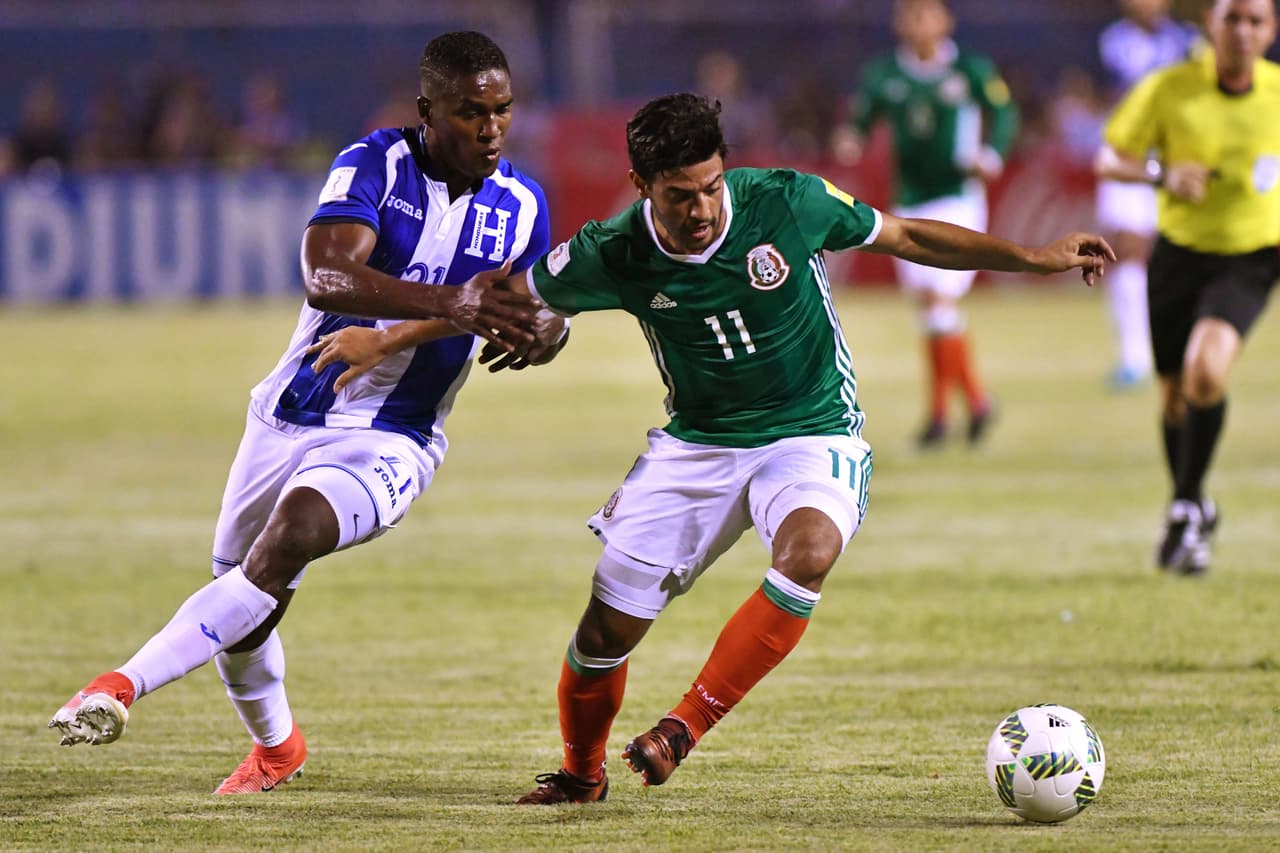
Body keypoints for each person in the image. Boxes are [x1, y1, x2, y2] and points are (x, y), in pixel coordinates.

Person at [313, 93, 1112, 803]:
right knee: (604, 634)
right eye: (679, 195)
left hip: (810, 427)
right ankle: (582, 774)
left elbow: (905, 235)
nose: (700, 209)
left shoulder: (788, 201)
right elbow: (504, 298)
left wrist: (1034, 257)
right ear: (641, 186)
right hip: (697, 444)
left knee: (809, 550)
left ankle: (682, 727)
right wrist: (386, 340)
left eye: (711, 187)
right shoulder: (613, 250)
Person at [47, 30, 554, 794]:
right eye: (470, 112)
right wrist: (450, 302)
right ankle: (278, 747)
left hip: (395, 435)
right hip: (297, 404)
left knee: (288, 540)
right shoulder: (375, 164)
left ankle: (119, 685)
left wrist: (545, 336)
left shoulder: (522, 206)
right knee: (241, 599)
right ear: (427, 111)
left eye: (502, 110)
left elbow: (532, 313)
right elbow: (326, 274)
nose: (491, 129)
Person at [1095, 0, 1280, 575]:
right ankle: (1195, 505)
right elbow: (1109, 158)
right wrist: (1162, 173)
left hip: (1251, 258)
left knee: (1206, 371)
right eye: (1232, 19)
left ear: (1271, 30)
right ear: (1210, 24)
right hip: (1179, 255)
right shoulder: (1170, 87)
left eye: (1255, 20)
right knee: (1175, 398)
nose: (1243, 31)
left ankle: (1182, 509)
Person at [830, 0, 1018, 448]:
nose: (918, 23)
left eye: (926, 14)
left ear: (945, 20)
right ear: (899, 23)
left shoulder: (970, 69)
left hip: (957, 198)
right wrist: (850, 138)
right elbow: (860, 120)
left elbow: (1005, 113)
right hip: (910, 201)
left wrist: (992, 154)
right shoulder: (884, 75)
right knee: (932, 311)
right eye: (910, 15)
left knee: (938, 300)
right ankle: (976, 404)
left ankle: (938, 416)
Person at [1094, 0, 1200, 389]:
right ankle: (1134, 355)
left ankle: (1187, 346)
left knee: (1184, 253)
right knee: (1126, 250)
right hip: (1128, 158)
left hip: (1179, 160)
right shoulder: (1111, 42)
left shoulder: (1190, 41)